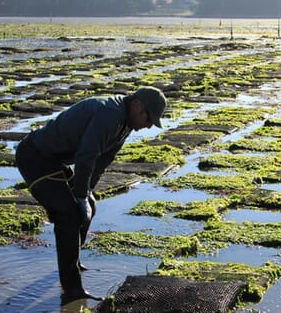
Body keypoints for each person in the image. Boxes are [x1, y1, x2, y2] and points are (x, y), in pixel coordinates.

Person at [15, 86, 167, 301]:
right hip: (35, 157)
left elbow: (102, 160)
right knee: (68, 216)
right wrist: (80, 196)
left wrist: (87, 193)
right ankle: (72, 290)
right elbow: (87, 156)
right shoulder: (110, 114)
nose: (149, 125)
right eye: (149, 118)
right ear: (137, 105)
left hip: (54, 160)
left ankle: (72, 260)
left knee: (89, 207)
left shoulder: (125, 123)